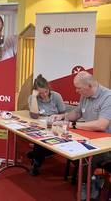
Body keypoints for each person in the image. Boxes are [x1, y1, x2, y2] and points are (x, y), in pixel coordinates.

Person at [51, 71, 111, 200]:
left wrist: (73, 125)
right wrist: (62, 117)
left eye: (79, 88)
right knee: (67, 146)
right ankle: (92, 177)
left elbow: (101, 125)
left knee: (87, 155)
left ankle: (89, 182)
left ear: (90, 85)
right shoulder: (85, 95)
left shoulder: (108, 97)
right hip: (90, 137)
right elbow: (77, 113)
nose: (76, 91)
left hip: (106, 144)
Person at [27, 74, 65, 176]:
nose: (44, 94)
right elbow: (34, 116)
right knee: (39, 139)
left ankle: (36, 159)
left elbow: (63, 113)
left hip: (55, 126)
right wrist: (34, 97)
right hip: (39, 126)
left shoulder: (56, 96)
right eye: (40, 93)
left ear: (49, 88)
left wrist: (58, 117)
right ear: (35, 91)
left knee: (40, 144)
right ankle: (37, 162)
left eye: (46, 91)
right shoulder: (32, 97)